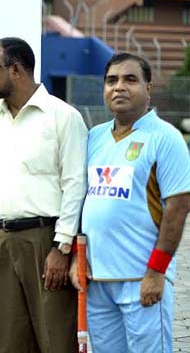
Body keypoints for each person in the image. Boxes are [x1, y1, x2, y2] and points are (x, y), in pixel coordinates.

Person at [0, 37, 87, 353]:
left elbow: (75, 185)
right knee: (7, 341)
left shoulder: (63, 116)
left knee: (55, 338)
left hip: (44, 242)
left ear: (15, 70)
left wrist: (62, 246)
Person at [70, 53, 190, 352]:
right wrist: (76, 258)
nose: (119, 87)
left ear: (148, 88)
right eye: (112, 81)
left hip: (141, 279)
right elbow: (81, 203)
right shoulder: (94, 137)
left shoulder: (165, 138)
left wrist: (156, 272)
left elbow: (178, 208)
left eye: (130, 80)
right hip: (97, 281)